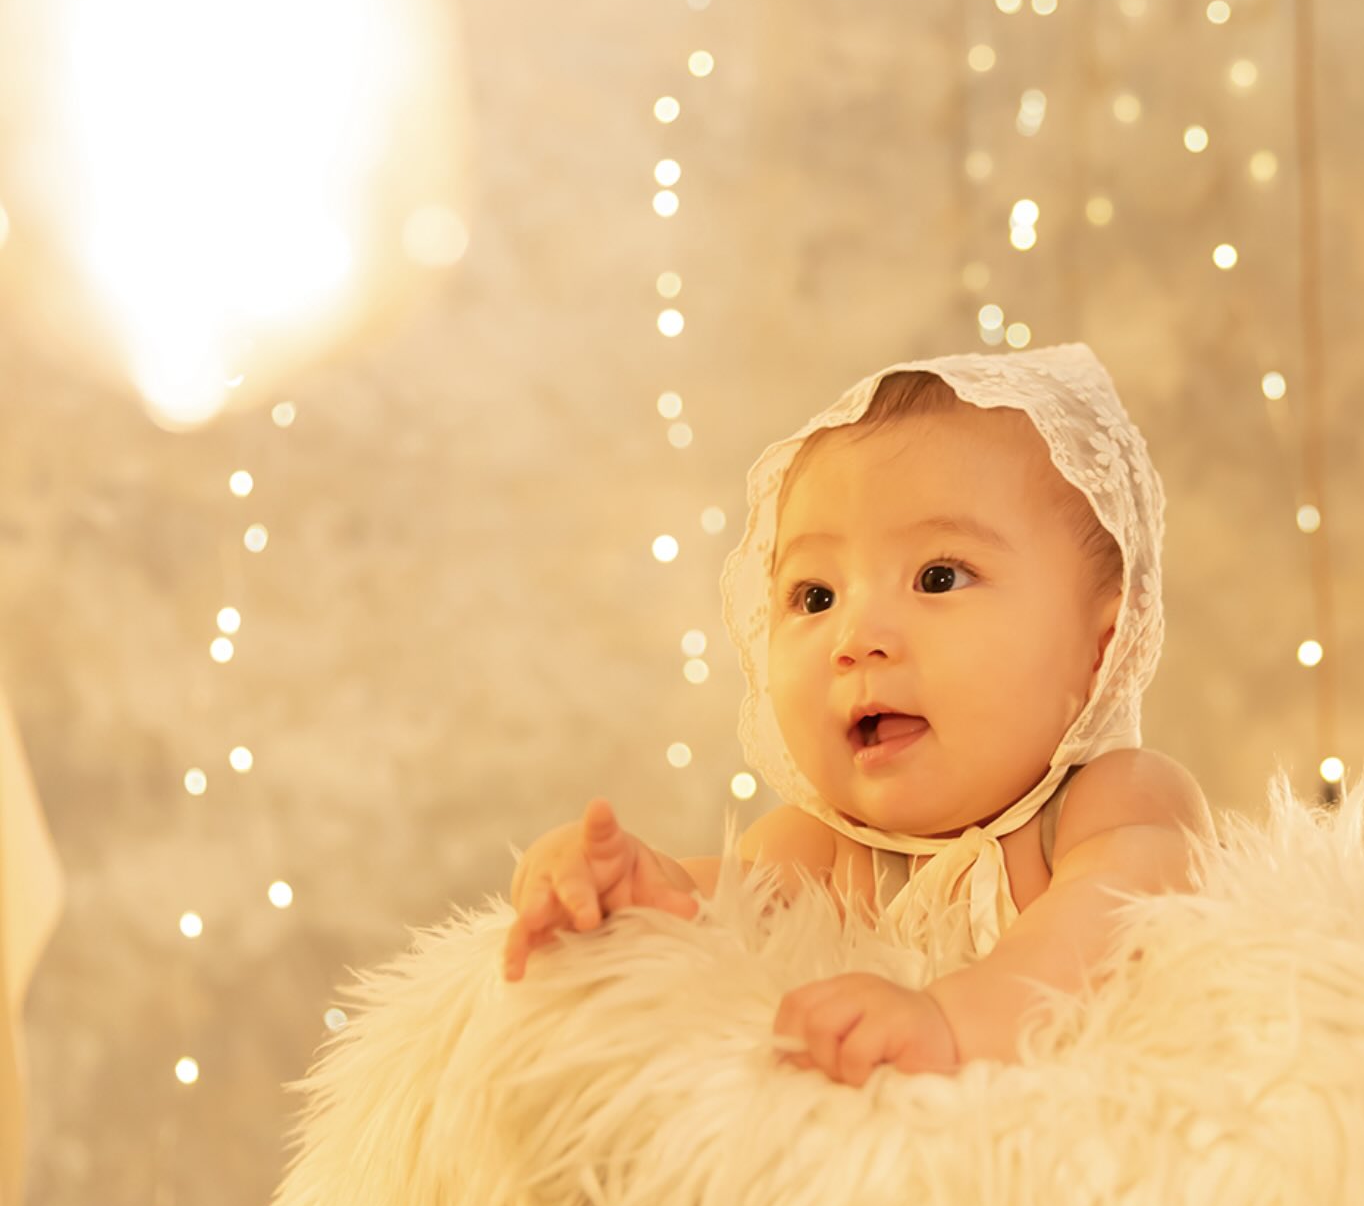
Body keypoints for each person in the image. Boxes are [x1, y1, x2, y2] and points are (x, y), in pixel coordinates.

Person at [501, 343, 1212, 1087]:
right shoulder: (823, 851)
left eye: (938, 577)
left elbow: (1118, 910)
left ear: (1101, 647)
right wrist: (625, 892)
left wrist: (953, 1020)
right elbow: (707, 918)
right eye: (816, 597)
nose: (856, 639)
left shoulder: (1113, 800)